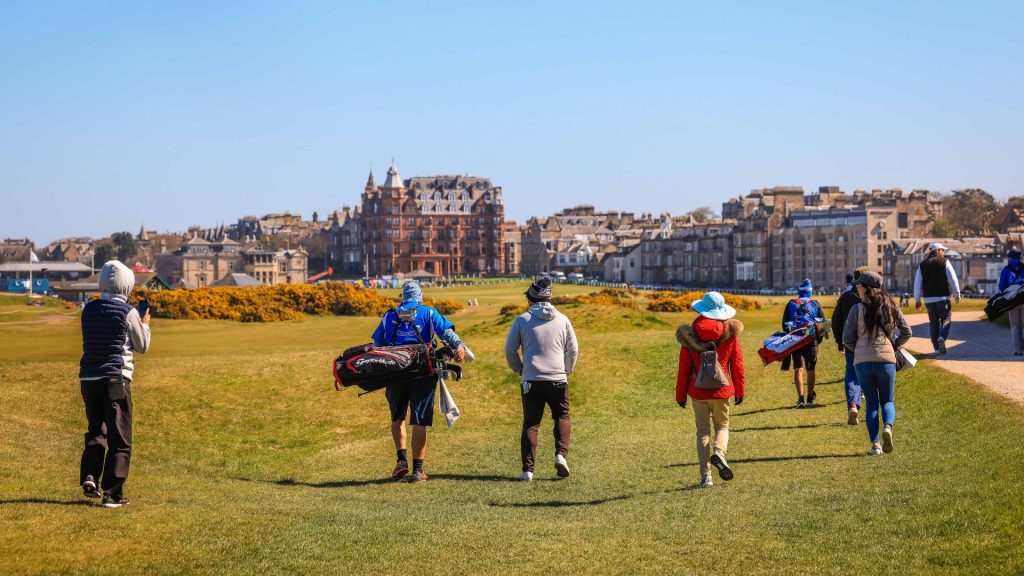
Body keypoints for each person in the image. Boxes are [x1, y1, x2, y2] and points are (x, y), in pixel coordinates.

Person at [371, 281, 467, 484]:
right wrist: (459, 345)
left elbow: (378, 344)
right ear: (420, 296)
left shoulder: (389, 315)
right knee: (419, 420)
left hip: (395, 373)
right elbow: (446, 333)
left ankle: (401, 461)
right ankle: (418, 471)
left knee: (397, 418)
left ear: (403, 297)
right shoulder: (428, 313)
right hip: (423, 373)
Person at [79, 260, 151, 508]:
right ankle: (112, 494)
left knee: (96, 431)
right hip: (115, 378)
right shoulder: (128, 312)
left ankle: (90, 476)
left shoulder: (88, 309)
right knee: (120, 438)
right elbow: (142, 346)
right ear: (127, 284)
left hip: (88, 378)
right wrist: (145, 324)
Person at [505, 277, 579, 481]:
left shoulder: (522, 320)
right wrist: (566, 370)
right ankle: (560, 455)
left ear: (531, 299)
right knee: (562, 416)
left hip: (531, 379)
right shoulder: (562, 319)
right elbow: (573, 349)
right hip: (557, 378)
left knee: (531, 423)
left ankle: (528, 471)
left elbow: (510, 349)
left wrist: (520, 369)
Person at [676, 292, 746, 488]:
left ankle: (706, 477)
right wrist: (740, 390)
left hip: (698, 392)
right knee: (722, 426)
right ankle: (719, 453)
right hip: (722, 391)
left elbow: (684, 369)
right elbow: (737, 365)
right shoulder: (730, 332)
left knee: (702, 432)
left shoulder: (689, 334)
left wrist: (680, 395)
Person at [842, 271, 911, 455]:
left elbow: (846, 338)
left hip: (862, 361)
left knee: (872, 403)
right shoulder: (891, 305)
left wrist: (858, 348)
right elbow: (907, 331)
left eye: (859, 285)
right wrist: (894, 345)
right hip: (886, 359)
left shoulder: (857, 309)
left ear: (867, 288)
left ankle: (876, 445)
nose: (857, 288)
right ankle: (887, 427)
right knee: (887, 400)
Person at [782, 279, 825, 408]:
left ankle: (800, 399)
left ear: (799, 291)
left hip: (796, 340)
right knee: (810, 369)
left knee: (798, 369)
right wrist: (818, 340)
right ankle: (810, 396)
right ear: (810, 292)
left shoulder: (791, 303)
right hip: (811, 340)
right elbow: (823, 323)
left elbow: (784, 324)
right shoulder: (815, 303)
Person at [914, 242, 961, 355]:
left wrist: (917, 300)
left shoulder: (922, 265)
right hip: (943, 298)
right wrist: (957, 293)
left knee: (933, 323)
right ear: (938, 251)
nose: (943, 253)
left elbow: (917, 283)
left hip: (929, 300)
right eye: (942, 250)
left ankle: (936, 348)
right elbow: (953, 279)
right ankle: (942, 337)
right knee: (946, 319)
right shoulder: (944, 262)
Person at [831, 269, 865, 425]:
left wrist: (839, 341)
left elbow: (835, 321)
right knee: (867, 371)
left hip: (850, 341)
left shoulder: (845, 297)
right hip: (870, 342)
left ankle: (853, 405)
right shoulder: (877, 297)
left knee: (851, 372)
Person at [998, 248, 1024, 356]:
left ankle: (1018, 350)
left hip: (1012, 300)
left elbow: (1001, 286)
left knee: (1015, 325)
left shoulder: (1006, 270)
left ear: (1010, 258)